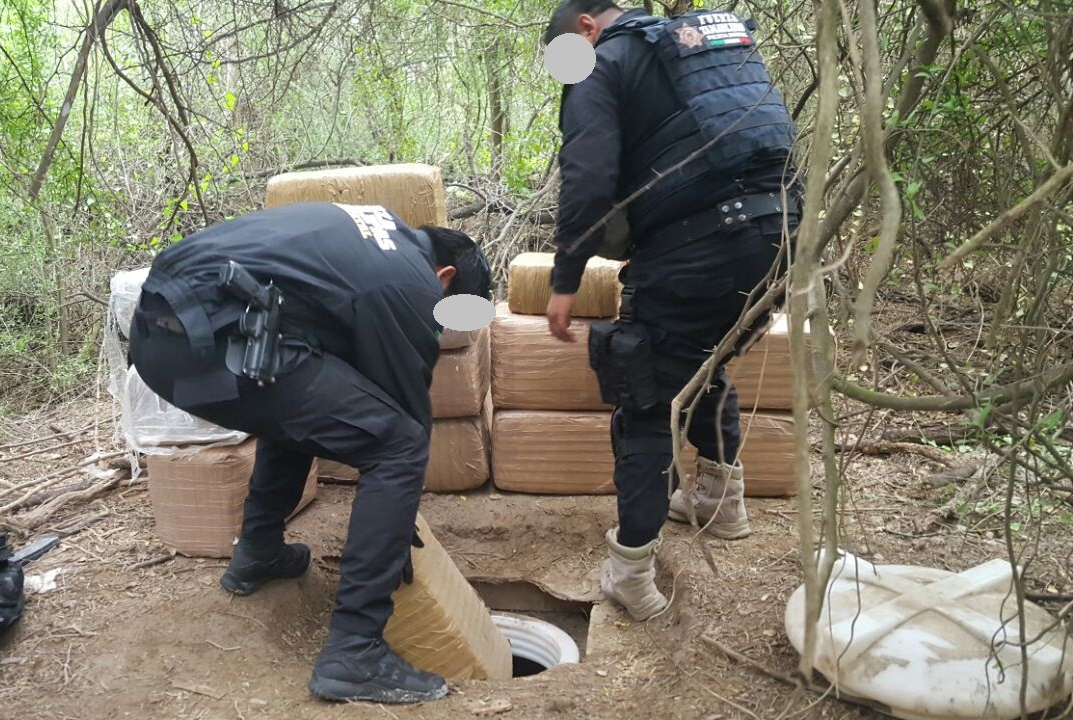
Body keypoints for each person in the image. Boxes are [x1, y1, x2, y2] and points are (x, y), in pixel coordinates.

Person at [126, 201, 491, 704]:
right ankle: (355, 651)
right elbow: (407, 409)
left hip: (158, 336)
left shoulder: (375, 232)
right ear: (444, 277)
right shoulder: (412, 281)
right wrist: (394, 523)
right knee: (399, 445)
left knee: (305, 402)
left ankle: (258, 553)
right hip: (211, 343)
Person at [542, 0, 801, 620]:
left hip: (700, 245)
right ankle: (721, 502)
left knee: (647, 392)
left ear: (585, 28)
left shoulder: (600, 63)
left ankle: (630, 571)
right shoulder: (694, 47)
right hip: (781, 237)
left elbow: (588, 179)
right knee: (704, 361)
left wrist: (565, 279)